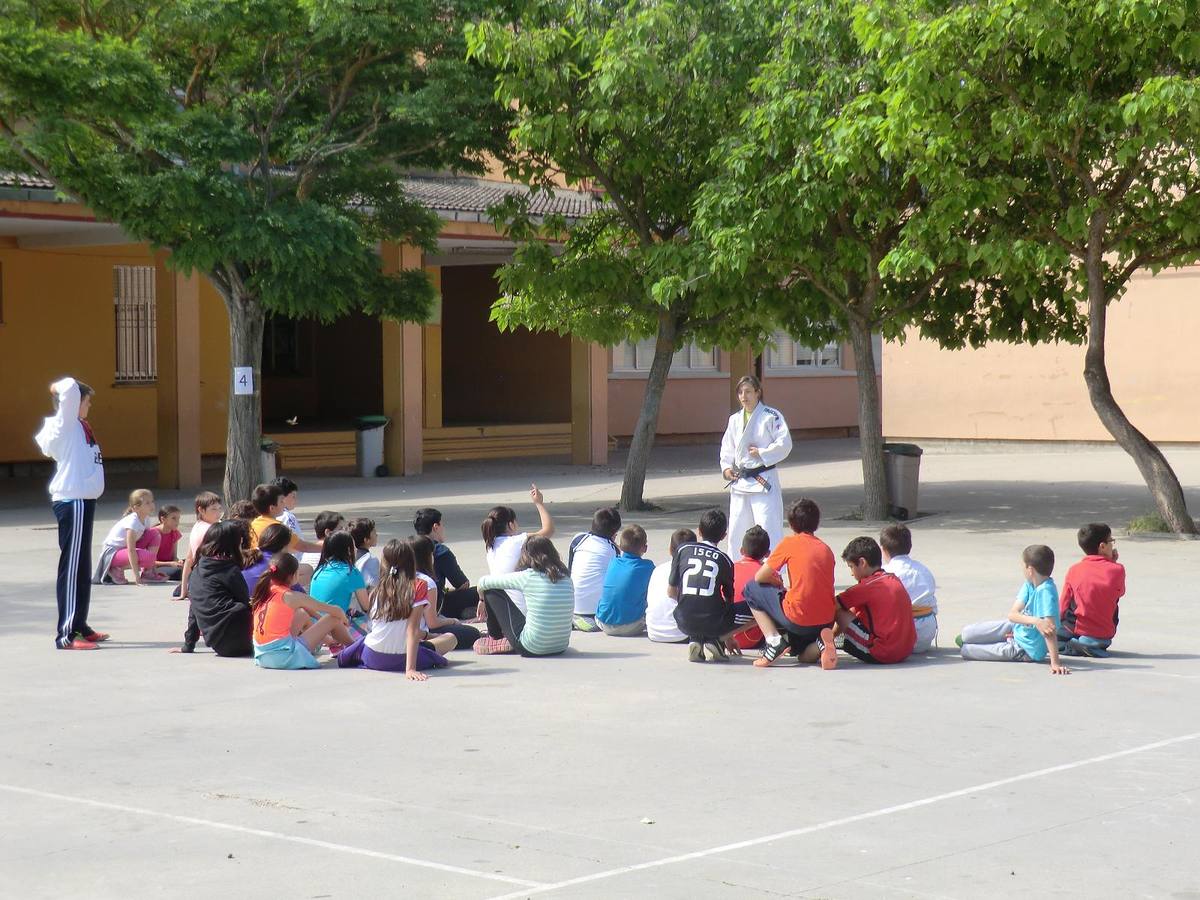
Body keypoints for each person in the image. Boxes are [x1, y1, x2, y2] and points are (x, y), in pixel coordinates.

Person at [35, 377, 107, 649]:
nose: (89, 405)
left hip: (83, 500)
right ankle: (66, 635)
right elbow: (67, 386)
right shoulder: (64, 424)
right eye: (86, 400)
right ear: (74, 402)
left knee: (82, 566)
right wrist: (57, 387)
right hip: (73, 500)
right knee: (72, 566)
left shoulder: (77, 426)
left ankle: (79, 624)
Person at [743, 498, 837, 669]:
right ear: (816, 523)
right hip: (826, 620)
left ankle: (773, 641)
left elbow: (759, 577)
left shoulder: (789, 543)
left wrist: (775, 580)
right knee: (802, 656)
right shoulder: (826, 549)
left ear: (792, 525)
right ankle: (821, 644)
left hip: (799, 617)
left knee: (751, 588)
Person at [336, 540, 450, 678]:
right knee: (451, 638)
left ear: (384, 563)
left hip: (373, 655)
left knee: (366, 640)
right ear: (411, 561)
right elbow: (411, 630)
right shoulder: (419, 585)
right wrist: (410, 669)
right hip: (402, 657)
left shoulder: (377, 589)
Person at [957, 545, 1070, 675]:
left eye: (1023, 565)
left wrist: (1055, 663)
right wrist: (1036, 621)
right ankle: (984, 639)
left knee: (967, 650)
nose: (1022, 569)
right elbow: (1012, 615)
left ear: (1030, 569)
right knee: (966, 633)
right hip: (1015, 628)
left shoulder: (1046, 592)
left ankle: (986, 644)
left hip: (1025, 649)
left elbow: (1049, 630)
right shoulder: (1029, 584)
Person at [667, 508, 755, 663]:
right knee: (759, 608)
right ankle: (715, 639)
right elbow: (729, 600)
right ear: (723, 536)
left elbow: (671, 591)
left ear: (699, 531)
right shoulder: (725, 560)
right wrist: (728, 634)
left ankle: (696, 638)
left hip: (683, 619)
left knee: (698, 610)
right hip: (714, 622)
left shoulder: (682, 550)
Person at [719, 374, 792, 552]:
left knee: (768, 526)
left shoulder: (771, 416)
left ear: (758, 393)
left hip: (763, 479)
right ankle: (735, 570)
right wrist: (726, 468)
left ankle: (772, 571)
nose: (744, 396)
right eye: (741, 392)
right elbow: (727, 446)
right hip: (740, 480)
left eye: (748, 392)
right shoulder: (734, 419)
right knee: (737, 529)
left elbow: (785, 444)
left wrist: (762, 453)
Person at [250, 552, 354, 669]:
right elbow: (336, 611)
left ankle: (331, 642)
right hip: (283, 657)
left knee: (302, 614)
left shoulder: (265, 591)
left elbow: (306, 609)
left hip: (263, 656)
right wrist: (343, 620)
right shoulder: (292, 596)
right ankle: (356, 648)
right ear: (293, 576)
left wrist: (321, 624)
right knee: (333, 619)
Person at [474, 537, 574, 656]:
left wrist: (481, 599)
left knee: (491, 590)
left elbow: (483, 582)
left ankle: (495, 637)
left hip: (531, 647)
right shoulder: (567, 578)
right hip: (560, 645)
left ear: (526, 555)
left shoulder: (528, 577)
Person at [834, 537, 917, 665]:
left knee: (839, 611)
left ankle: (825, 640)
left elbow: (833, 606)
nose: (851, 574)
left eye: (851, 567)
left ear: (862, 562)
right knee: (854, 609)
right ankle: (835, 638)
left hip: (882, 652)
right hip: (905, 649)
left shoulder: (866, 587)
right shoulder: (893, 578)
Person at [177, 520, 254, 657]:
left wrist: (188, 645)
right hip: (241, 640)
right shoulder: (229, 570)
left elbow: (193, 609)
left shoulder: (197, 570)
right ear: (234, 543)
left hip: (218, 644)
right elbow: (245, 601)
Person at [480, 484, 555, 617]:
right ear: (510, 524)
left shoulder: (490, 546)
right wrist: (539, 503)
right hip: (523, 612)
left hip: (503, 613)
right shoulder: (516, 541)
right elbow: (548, 530)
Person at [1058, 523, 1126, 657]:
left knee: (1049, 639)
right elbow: (1120, 592)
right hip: (1103, 632)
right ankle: (1090, 644)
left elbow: (1063, 605)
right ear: (1102, 546)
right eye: (1111, 541)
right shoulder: (1118, 570)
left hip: (1075, 627)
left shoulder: (1074, 570)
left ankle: (1072, 644)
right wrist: (1112, 563)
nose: (1112, 545)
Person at [408, 535, 480, 650]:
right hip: (422, 631)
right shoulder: (427, 582)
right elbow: (432, 623)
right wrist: (452, 621)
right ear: (427, 557)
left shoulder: (397, 577)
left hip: (403, 631)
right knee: (472, 633)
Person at [414, 507, 481, 620]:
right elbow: (462, 584)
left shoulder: (408, 547)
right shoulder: (440, 551)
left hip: (412, 605)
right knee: (485, 590)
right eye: (442, 525)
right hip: (437, 606)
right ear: (436, 527)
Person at [880, 524, 939, 653]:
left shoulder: (885, 573)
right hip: (926, 635)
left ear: (883, 550)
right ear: (909, 547)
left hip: (900, 636)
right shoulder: (924, 570)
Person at [93, 489, 167, 585]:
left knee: (155, 534)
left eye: (152, 501)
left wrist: (153, 568)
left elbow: (146, 539)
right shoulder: (132, 523)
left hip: (124, 550)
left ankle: (148, 573)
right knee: (149, 557)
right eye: (147, 503)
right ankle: (114, 568)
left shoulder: (146, 519)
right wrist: (136, 577)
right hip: (112, 553)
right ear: (136, 508)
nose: (152, 505)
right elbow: (131, 549)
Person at [567, 506, 621, 632]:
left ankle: (573, 617)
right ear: (614, 533)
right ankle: (581, 621)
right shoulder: (613, 550)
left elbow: (570, 570)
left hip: (571, 603)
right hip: (594, 610)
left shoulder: (578, 539)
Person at [596, 525, 656, 636]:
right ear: (645, 548)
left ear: (621, 545)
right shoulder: (647, 566)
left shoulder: (613, 562)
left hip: (603, 622)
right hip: (631, 626)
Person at [646, 528, 696, 644]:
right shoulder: (692, 572)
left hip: (653, 631)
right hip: (681, 634)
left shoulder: (658, 569)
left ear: (670, 550)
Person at [309, 531, 370, 622]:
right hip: (334, 627)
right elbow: (366, 607)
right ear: (348, 550)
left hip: (314, 624)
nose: (356, 549)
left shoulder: (320, 570)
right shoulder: (351, 572)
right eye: (354, 546)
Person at [247, 483, 323, 555]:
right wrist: (325, 547)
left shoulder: (254, 523)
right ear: (272, 508)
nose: (284, 504)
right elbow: (303, 547)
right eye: (281, 501)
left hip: (256, 563)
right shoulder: (277, 528)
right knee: (307, 567)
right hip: (272, 565)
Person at [177, 491, 223, 602]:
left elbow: (189, 559)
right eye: (213, 509)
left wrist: (184, 590)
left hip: (197, 578)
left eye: (219, 509)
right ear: (201, 510)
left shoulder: (197, 526)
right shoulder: (211, 530)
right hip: (211, 578)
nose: (218, 513)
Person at [730, 525, 769, 651]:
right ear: (768, 554)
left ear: (741, 550)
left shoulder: (730, 568)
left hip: (725, 633)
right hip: (751, 639)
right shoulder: (768, 573)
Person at [148, 505, 185, 581]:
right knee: (179, 572)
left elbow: (174, 557)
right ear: (163, 519)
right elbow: (148, 561)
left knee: (191, 563)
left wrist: (178, 561)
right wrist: (170, 564)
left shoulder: (175, 533)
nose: (177, 522)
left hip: (170, 565)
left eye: (178, 518)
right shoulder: (153, 533)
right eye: (173, 518)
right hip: (155, 568)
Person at [350, 517, 380, 587]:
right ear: (366, 540)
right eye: (374, 533)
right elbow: (373, 585)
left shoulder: (348, 556)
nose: (377, 535)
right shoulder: (370, 559)